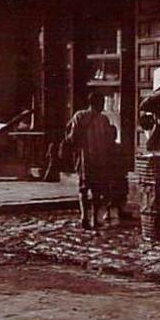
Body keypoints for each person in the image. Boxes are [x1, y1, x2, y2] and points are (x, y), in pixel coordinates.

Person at [64, 92, 116, 230]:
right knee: (97, 190)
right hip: (100, 159)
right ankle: (94, 219)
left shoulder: (79, 116)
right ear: (98, 104)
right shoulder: (103, 120)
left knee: (83, 188)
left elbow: (72, 137)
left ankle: (83, 217)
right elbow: (110, 139)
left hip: (84, 158)